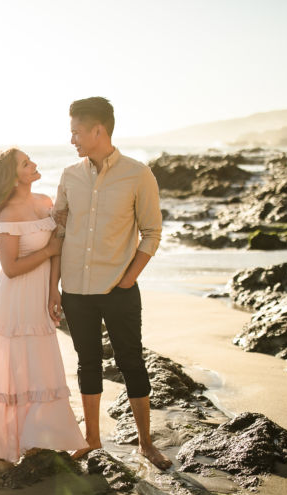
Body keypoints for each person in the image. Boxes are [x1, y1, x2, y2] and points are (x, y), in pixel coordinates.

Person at [48, 97, 172, 470]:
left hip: (119, 289)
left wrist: (128, 278)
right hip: (76, 290)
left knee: (131, 362)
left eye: (76, 132)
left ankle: (146, 444)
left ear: (98, 130)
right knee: (87, 363)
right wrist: (54, 287)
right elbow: (58, 232)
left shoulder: (138, 174)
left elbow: (152, 232)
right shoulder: (69, 175)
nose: (72, 139)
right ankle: (92, 439)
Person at [0, 147, 88, 465]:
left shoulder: (44, 202)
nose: (34, 165)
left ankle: (39, 435)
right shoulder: (7, 215)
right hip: (15, 298)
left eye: (30, 161)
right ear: (13, 178)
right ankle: (2, 436)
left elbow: (57, 249)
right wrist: (49, 251)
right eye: (26, 164)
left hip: (41, 291)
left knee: (40, 361)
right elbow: (12, 267)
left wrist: (54, 290)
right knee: (15, 362)